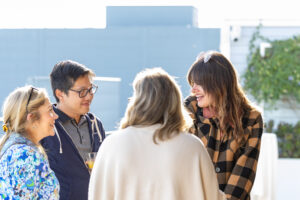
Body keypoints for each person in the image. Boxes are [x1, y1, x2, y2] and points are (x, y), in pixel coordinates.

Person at [89, 68, 225, 200]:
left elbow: (97, 195)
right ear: (174, 101)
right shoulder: (192, 146)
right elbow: (212, 195)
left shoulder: (112, 145)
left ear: (136, 101)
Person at [184, 51, 263, 200]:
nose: (193, 90)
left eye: (198, 83)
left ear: (217, 83)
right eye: (192, 83)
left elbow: (244, 174)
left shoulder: (252, 118)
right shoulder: (189, 109)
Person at [41, 60, 105, 200]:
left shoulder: (96, 125)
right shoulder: (45, 127)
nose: (89, 96)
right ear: (60, 94)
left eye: (90, 89)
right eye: (82, 91)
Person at [0, 86, 60, 199]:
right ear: (32, 118)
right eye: (49, 110)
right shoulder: (25, 155)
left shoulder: (15, 149)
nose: (55, 116)